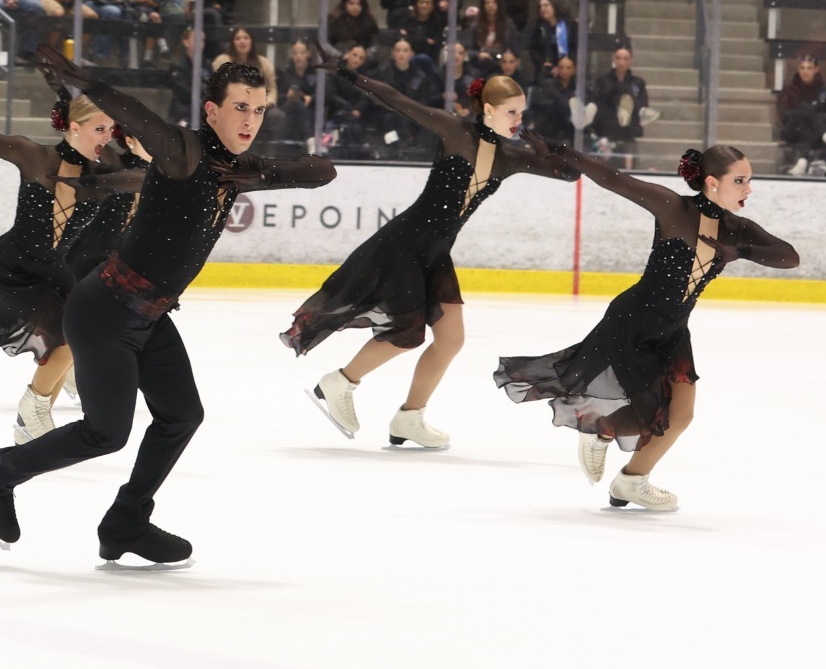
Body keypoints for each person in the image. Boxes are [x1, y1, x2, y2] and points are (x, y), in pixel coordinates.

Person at [0, 49, 336, 563]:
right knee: (107, 432)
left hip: (149, 314)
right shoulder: (182, 151)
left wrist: (255, 173)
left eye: (259, 110)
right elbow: (134, 114)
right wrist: (84, 80)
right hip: (104, 309)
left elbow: (320, 171)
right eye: (240, 108)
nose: (250, 120)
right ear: (211, 110)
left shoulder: (237, 166)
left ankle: (125, 523)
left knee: (181, 415)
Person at [288, 58, 579, 447]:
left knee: (450, 339)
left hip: (436, 253)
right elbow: (396, 100)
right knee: (407, 333)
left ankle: (410, 417)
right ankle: (339, 383)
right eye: (511, 112)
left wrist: (552, 150)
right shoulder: (453, 131)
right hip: (405, 244)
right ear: (488, 109)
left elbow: (570, 174)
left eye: (522, 112)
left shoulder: (511, 157)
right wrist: (349, 73)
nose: (518, 120)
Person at [496, 145, 799, 511]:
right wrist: (561, 150)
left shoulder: (736, 229)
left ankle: (631, 480)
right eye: (739, 181)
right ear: (712, 182)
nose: (748, 189)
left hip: (673, 330)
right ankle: (600, 431)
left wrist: (743, 251)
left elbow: (789, 257)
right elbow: (614, 179)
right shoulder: (675, 209)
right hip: (633, 322)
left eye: (748, 180)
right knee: (651, 415)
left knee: (681, 416)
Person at [0, 85, 132, 443]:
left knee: (78, 336)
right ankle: (31, 412)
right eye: (100, 128)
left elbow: (142, 178)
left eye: (110, 129)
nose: (108, 136)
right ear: (74, 127)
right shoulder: (34, 156)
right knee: (70, 339)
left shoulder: (105, 169)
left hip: (54, 268)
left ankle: (36, 412)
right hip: (15, 265)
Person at [775, 54, 826, 173]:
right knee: (804, 108)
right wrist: (808, 116)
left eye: (809, 68)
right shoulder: (789, 89)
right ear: (798, 69)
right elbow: (785, 115)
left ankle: (802, 161)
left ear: (816, 69)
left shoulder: (825, 89)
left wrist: (811, 120)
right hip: (793, 130)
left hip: (813, 134)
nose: (805, 72)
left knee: (808, 124)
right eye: (802, 68)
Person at [586, 45, 647, 166]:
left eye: (625, 59)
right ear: (613, 59)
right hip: (605, 134)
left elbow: (642, 106)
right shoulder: (603, 81)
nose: (621, 62)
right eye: (618, 58)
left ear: (630, 60)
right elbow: (596, 103)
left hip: (627, 134)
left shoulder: (637, 83)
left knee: (629, 173)